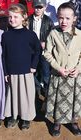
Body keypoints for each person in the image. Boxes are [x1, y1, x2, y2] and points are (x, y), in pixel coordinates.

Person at [44, 2, 81, 137]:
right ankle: (57, 122)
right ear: (57, 17)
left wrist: (78, 69)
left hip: (74, 77)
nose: (63, 21)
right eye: (61, 18)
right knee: (58, 100)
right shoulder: (53, 33)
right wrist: (58, 67)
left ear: (74, 19)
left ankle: (74, 122)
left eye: (67, 18)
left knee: (74, 101)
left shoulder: (80, 34)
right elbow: (47, 53)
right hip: (58, 75)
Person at [1, 3, 41, 130]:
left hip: (26, 71)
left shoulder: (30, 35)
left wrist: (34, 66)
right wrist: (6, 72)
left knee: (26, 95)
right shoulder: (5, 35)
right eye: (10, 17)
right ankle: (13, 116)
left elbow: (38, 50)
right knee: (12, 95)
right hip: (11, 71)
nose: (12, 19)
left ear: (24, 17)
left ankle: (25, 118)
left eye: (16, 17)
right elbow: (3, 55)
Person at [29, 0, 54, 100]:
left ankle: (47, 95)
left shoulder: (48, 21)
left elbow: (52, 37)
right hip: (32, 52)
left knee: (46, 74)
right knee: (32, 73)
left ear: (45, 7)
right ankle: (37, 92)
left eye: (40, 7)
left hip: (44, 53)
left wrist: (46, 43)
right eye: (36, 7)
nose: (38, 9)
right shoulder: (28, 20)